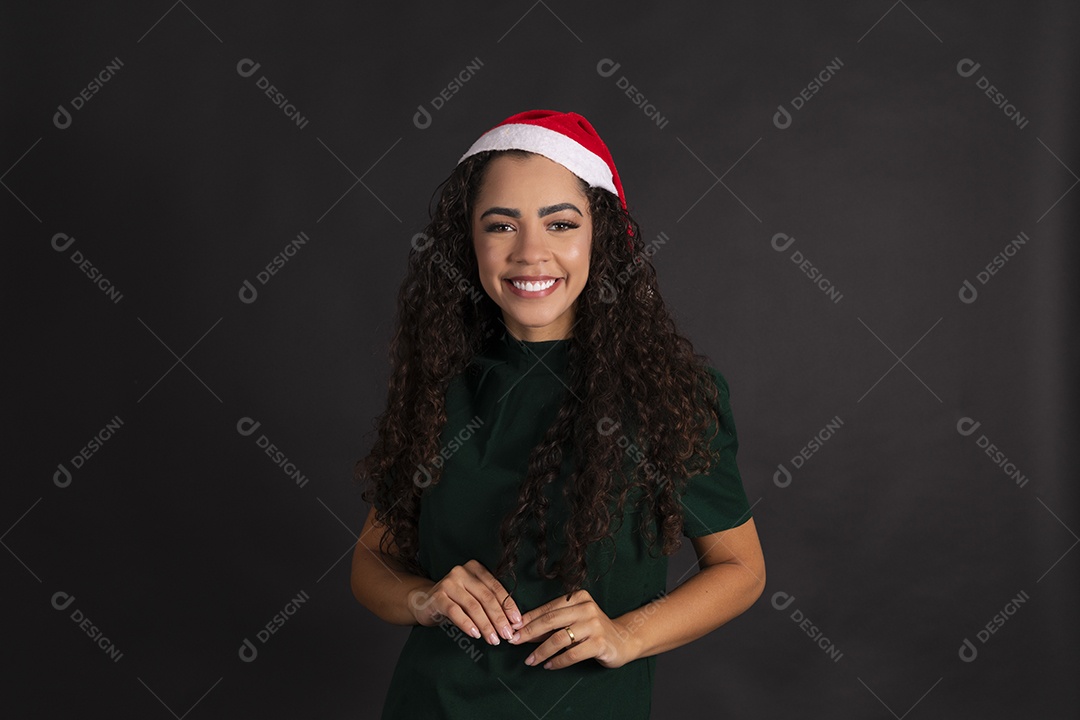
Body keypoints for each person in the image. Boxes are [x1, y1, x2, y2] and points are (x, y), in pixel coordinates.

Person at [351, 109, 765, 719]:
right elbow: (371, 560)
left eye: (561, 223)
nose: (530, 253)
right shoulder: (437, 388)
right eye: (501, 225)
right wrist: (423, 599)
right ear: (468, 241)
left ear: (602, 236)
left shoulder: (669, 396)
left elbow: (740, 568)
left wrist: (628, 635)